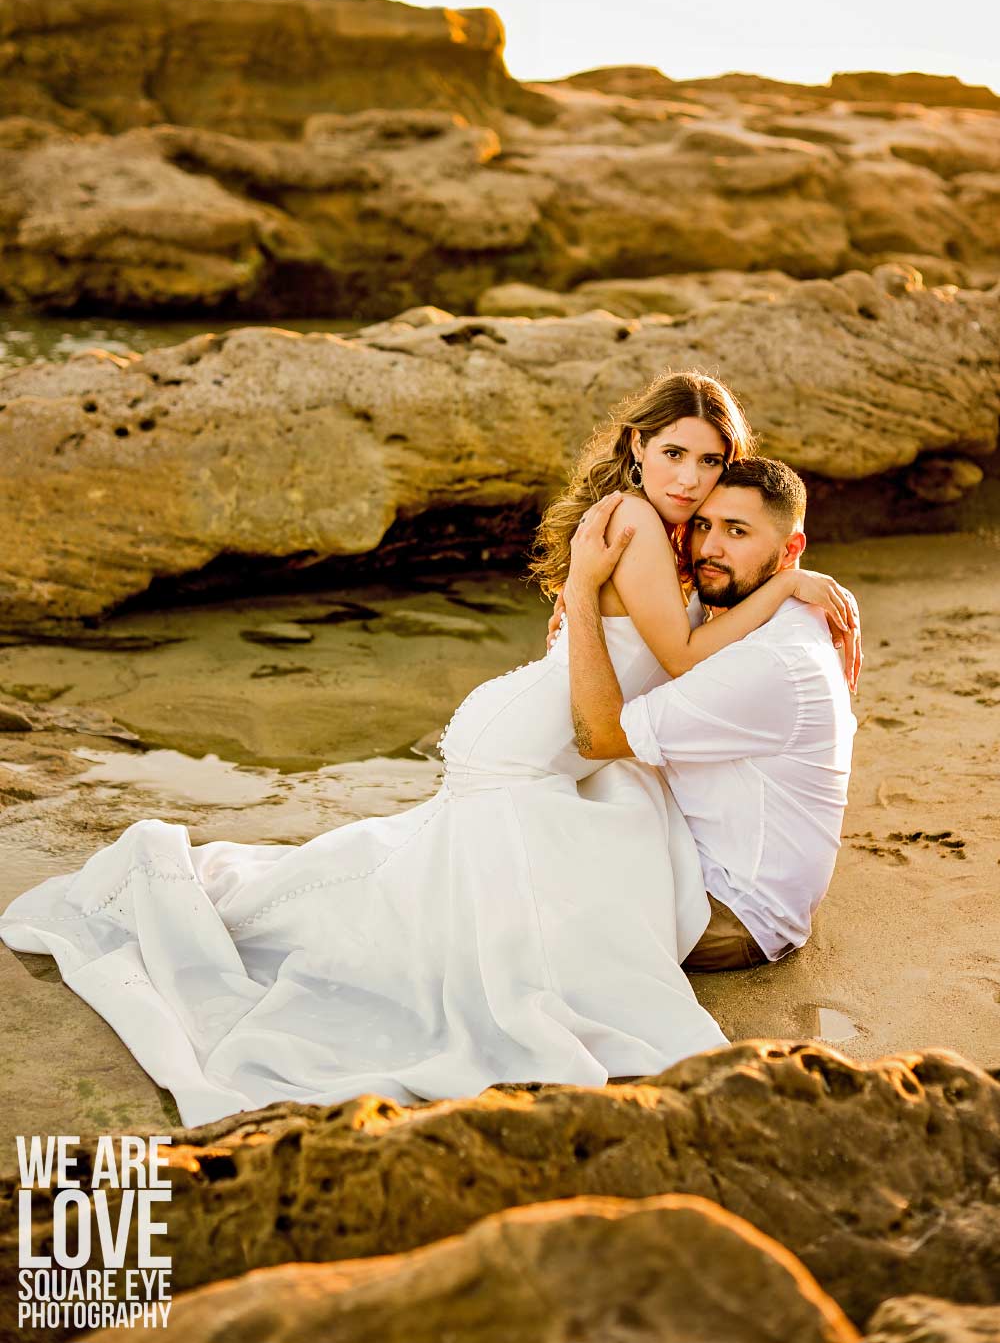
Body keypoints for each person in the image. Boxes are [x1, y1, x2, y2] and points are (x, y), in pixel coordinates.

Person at [0, 373, 859, 1126]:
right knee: (467, 913)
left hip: (542, 719)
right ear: (638, 447)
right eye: (676, 453)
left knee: (427, 885)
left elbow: (620, 636)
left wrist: (776, 575)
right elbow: (676, 656)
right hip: (541, 734)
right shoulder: (637, 517)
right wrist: (787, 581)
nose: (690, 478)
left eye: (709, 464)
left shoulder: (653, 525)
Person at [562, 457, 858, 973]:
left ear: (790, 550)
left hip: (733, 914)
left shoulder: (770, 663)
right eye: (703, 525)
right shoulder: (754, 612)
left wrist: (581, 592)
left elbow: (599, 736)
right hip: (703, 858)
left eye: (736, 531)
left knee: (515, 894)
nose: (710, 548)